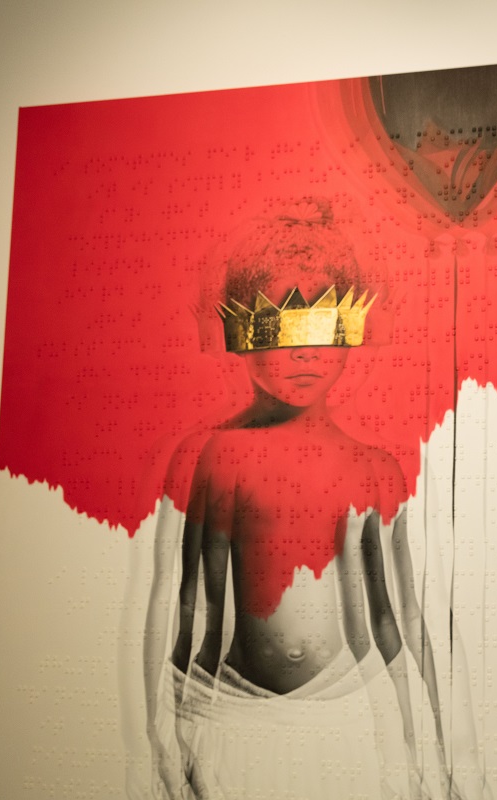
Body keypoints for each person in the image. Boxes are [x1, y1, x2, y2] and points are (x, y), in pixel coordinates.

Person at [143, 200, 461, 800]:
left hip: (345, 717)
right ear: (242, 336)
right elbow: (184, 603)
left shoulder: (373, 469)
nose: (307, 353)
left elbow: (398, 617)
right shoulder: (214, 456)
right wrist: (166, 736)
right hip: (231, 717)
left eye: (324, 329)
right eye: (281, 329)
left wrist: (435, 755)